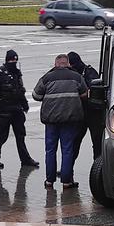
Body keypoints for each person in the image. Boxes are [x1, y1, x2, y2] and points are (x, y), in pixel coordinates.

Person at [32, 54, 87, 189]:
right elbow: (85, 94)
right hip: (69, 120)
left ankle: (49, 180)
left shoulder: (47, 77)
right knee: (67, 150)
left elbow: (36, 95)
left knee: (50, 150)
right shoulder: (76, 77)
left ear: (55, 64)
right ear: (67, 64)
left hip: (51, 121)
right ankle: (66, 181)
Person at [0, 50, 39, 169]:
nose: (13, 62)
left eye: (15, 60)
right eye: (11, 60)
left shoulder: (17, 72)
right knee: (2, 135)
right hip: (5, 109)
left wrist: (25, 104)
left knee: (20, 136)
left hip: (17, 109)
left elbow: (20, 90)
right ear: (7, 60)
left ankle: (25, 159)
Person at [68, 51, 103, 161]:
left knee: (97, 143)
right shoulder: (72, 74)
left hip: (94, 113)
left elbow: (96, 90)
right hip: (79, 113)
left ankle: (98, 168)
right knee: (74, 142)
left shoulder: (89, 72)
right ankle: (68, 168)